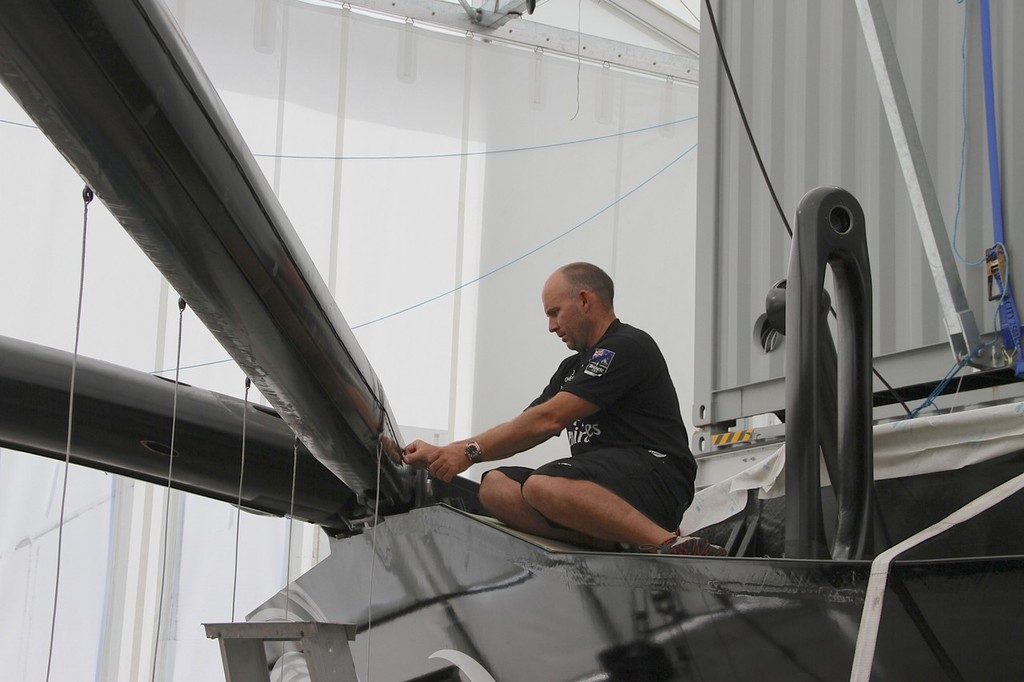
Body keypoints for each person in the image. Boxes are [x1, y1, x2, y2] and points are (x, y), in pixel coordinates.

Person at [402, 262, 724, 555]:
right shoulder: (571, 368)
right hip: (599, 484)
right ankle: (604, 538)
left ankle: (667, 542)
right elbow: (527, 426)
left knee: (542, 486)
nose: (551, 326)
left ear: (585, 300)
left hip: (658, 478)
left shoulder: (626, 347)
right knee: (494, 487)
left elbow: (549, 420)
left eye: (554, 312)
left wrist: (469, 452)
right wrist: (445, 451)